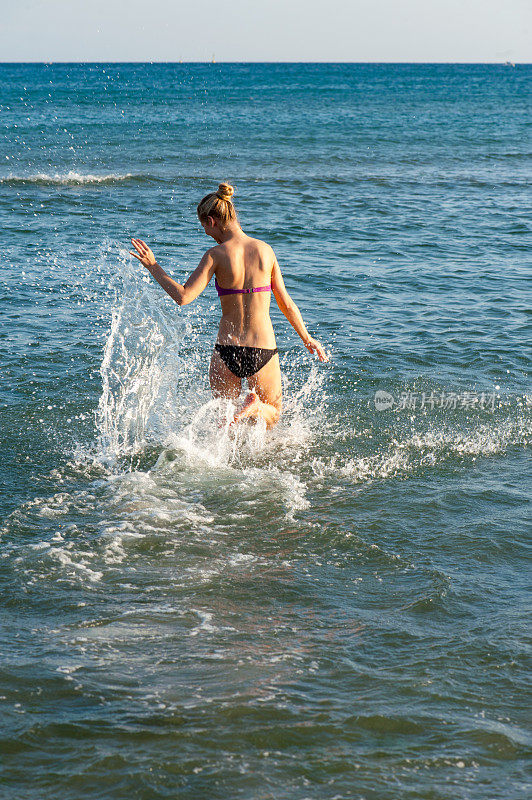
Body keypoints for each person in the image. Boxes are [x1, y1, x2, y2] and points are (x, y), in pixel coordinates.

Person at [129, 182, 328, 428]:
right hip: (262, 348)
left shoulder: (215, 255)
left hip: (226, 349)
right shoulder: (265, 251)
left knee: (224, 422)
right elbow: (285, 303)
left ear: (212, 221)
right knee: (272, 415)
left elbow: (183, 297)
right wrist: (307, 338)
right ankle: (254, 407)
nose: (205, 232)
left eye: (203, 226)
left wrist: (153, 266)